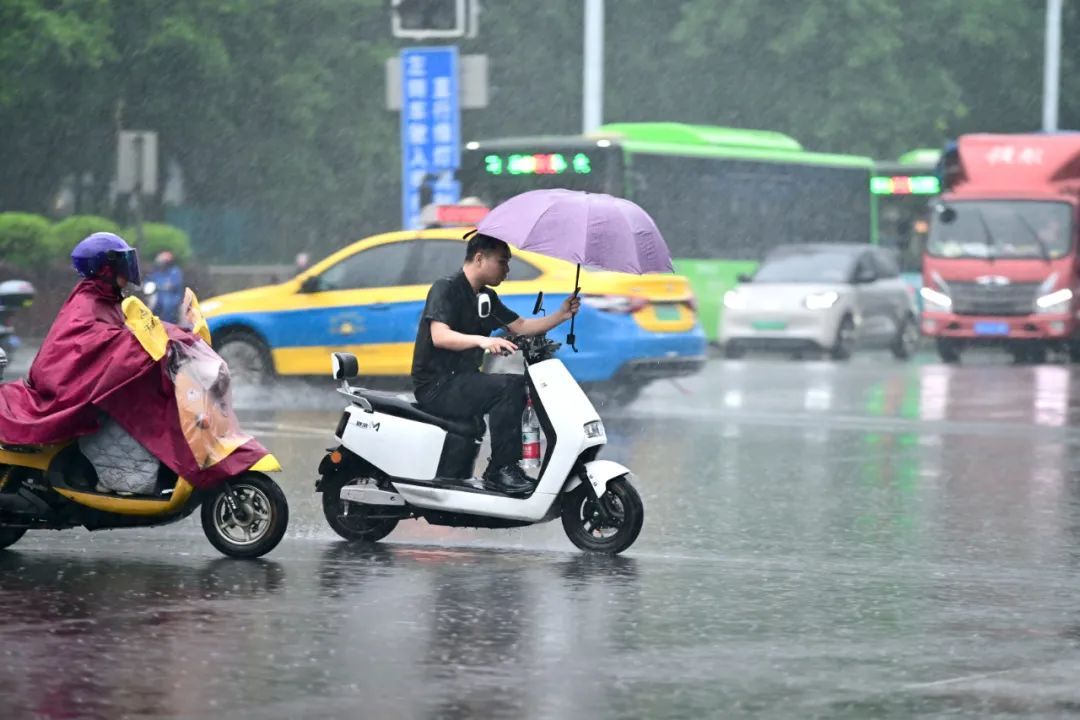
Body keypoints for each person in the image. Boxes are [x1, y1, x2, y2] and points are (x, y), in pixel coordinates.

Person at [412, 232, 580, 496]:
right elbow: (440, 336)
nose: (507, 270)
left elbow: (521, 327)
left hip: (461, 381)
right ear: (479, 258)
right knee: (508, 388)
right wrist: (482, 341)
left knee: (516, 385)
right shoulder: (445, 288)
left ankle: (505, 469)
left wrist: (562, 314)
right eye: (503, 262)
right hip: (436, 385)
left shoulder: (485, 297)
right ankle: (500, 471)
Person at [147, 250, 184, 323]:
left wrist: (162, 286)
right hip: (159, 295)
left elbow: (173, 284)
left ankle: (167, 323)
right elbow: (150, 280)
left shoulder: (175, 271)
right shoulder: (158, 272)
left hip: (173, 296)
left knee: (167, 304)